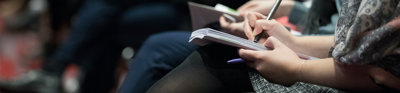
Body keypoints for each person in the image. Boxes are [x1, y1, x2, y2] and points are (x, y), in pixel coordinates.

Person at [145, 0, 400, 92]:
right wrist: (293, 41)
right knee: (205, 54)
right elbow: (354, 41)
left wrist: (297, 68)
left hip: (342, 77)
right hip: (318, 52)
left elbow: (381, 72)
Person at [118, 0, 334, 93]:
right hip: (303, 36)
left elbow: (354, 53)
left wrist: (294, 44)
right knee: (161, 45)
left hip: (315, 55)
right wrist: (292, 9)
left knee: (211, 60)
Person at [0, 0, 182, 93]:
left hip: (180, 12)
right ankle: (58, 72)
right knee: (103, 17)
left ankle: (53, 70)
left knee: (105, 19)